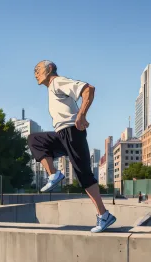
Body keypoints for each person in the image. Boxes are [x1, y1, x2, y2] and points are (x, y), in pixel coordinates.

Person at [28, 60, 116, 233]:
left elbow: (88, 89)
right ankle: (54, 174)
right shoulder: (52, 88)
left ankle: (103, 215)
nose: (35, 73)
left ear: (50, 69)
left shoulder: (57, 82)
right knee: (34, 139)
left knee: (83, 174)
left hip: (71, 131)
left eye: (38, 69)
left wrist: (82, 114)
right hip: (62, 134)